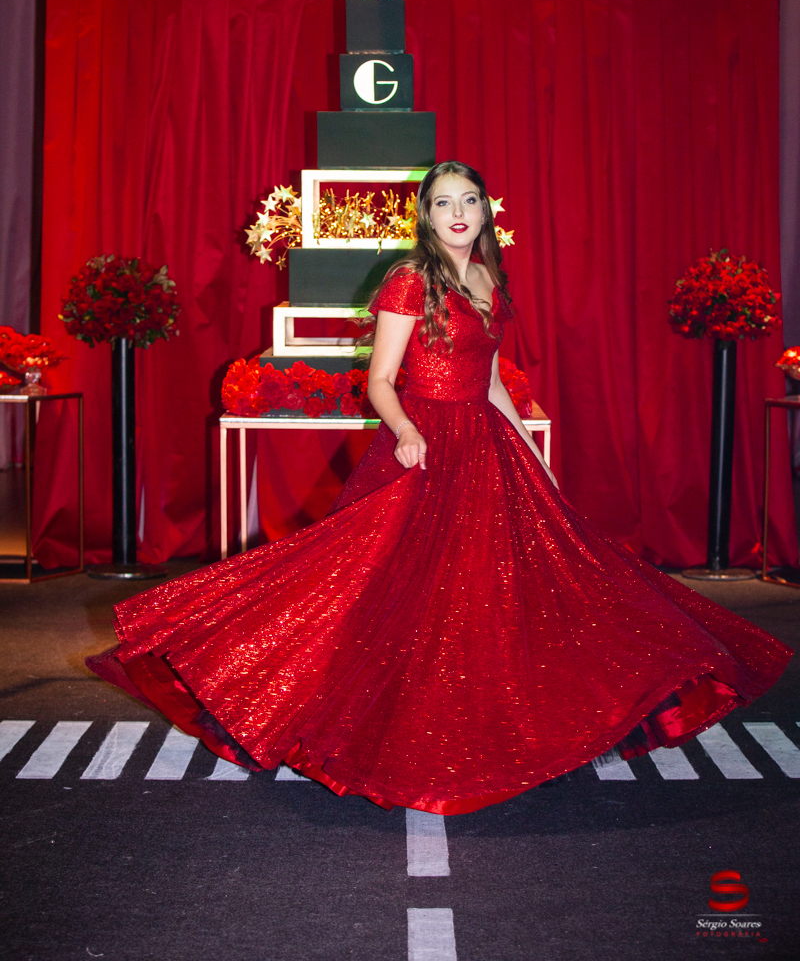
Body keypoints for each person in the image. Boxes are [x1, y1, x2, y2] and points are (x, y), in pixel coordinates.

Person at [87, 161, 791, 815]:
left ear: (484, 212)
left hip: (486, 445)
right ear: (426, 216)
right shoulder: (408, 280)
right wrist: (403, 430)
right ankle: (306, 702)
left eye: (469, 200)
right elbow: (379, 380)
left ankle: (480, 729)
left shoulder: (487, 280)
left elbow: (491, 382)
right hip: (422, 443)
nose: (458, 212)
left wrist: (533, 455)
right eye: (443, 202)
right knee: (378, 590)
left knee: (500, 592)